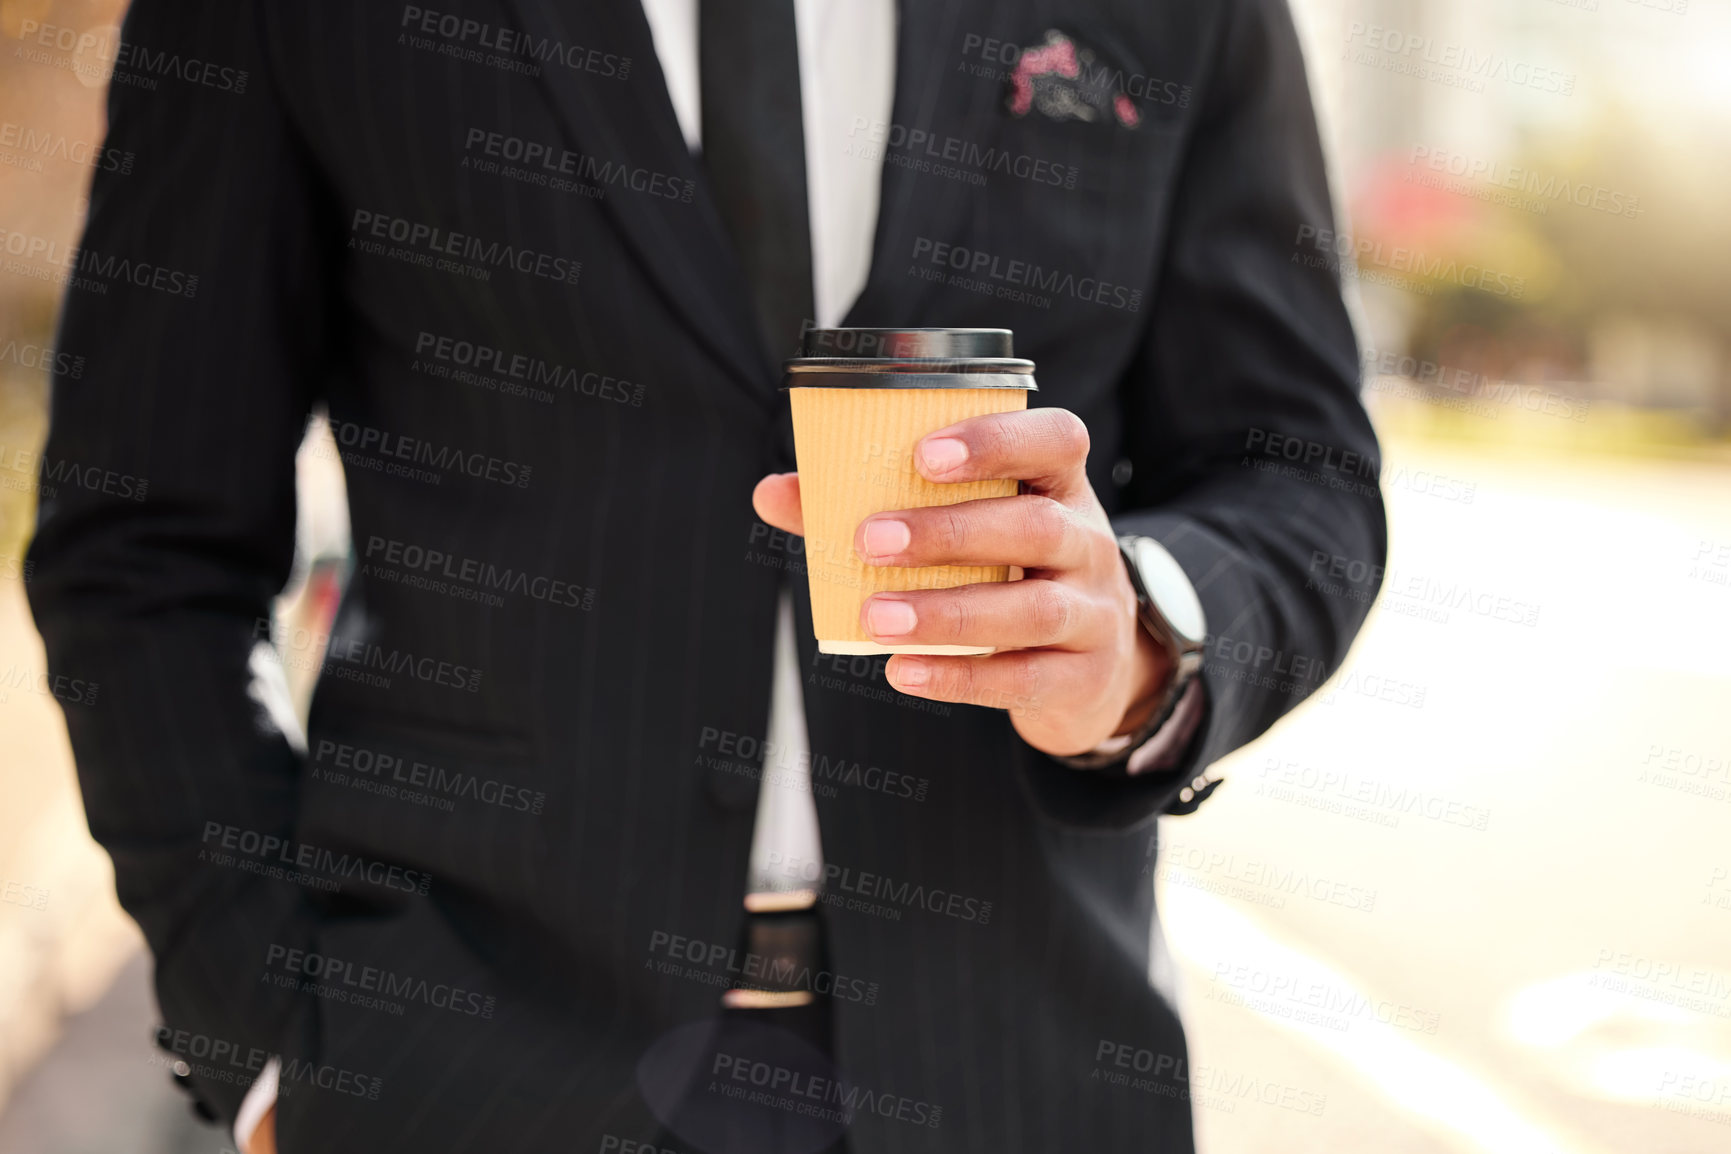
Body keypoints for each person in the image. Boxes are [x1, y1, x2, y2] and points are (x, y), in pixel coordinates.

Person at [26, 0, 1385, 1151]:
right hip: (449, 1070)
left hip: (1023, 1070)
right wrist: (265, 1036)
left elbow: (1299, 470)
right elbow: (145, 534)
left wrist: (1148, 637)